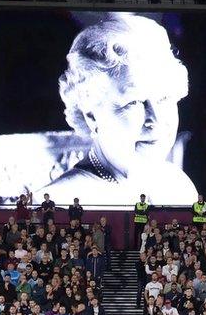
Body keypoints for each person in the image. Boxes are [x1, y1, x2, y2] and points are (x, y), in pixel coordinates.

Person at [40, 14, 197, 205]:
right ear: (91, 116)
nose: (155, 120)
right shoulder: (57, 204)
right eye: (134, 102)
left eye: (164, 98)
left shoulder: (179, 187)